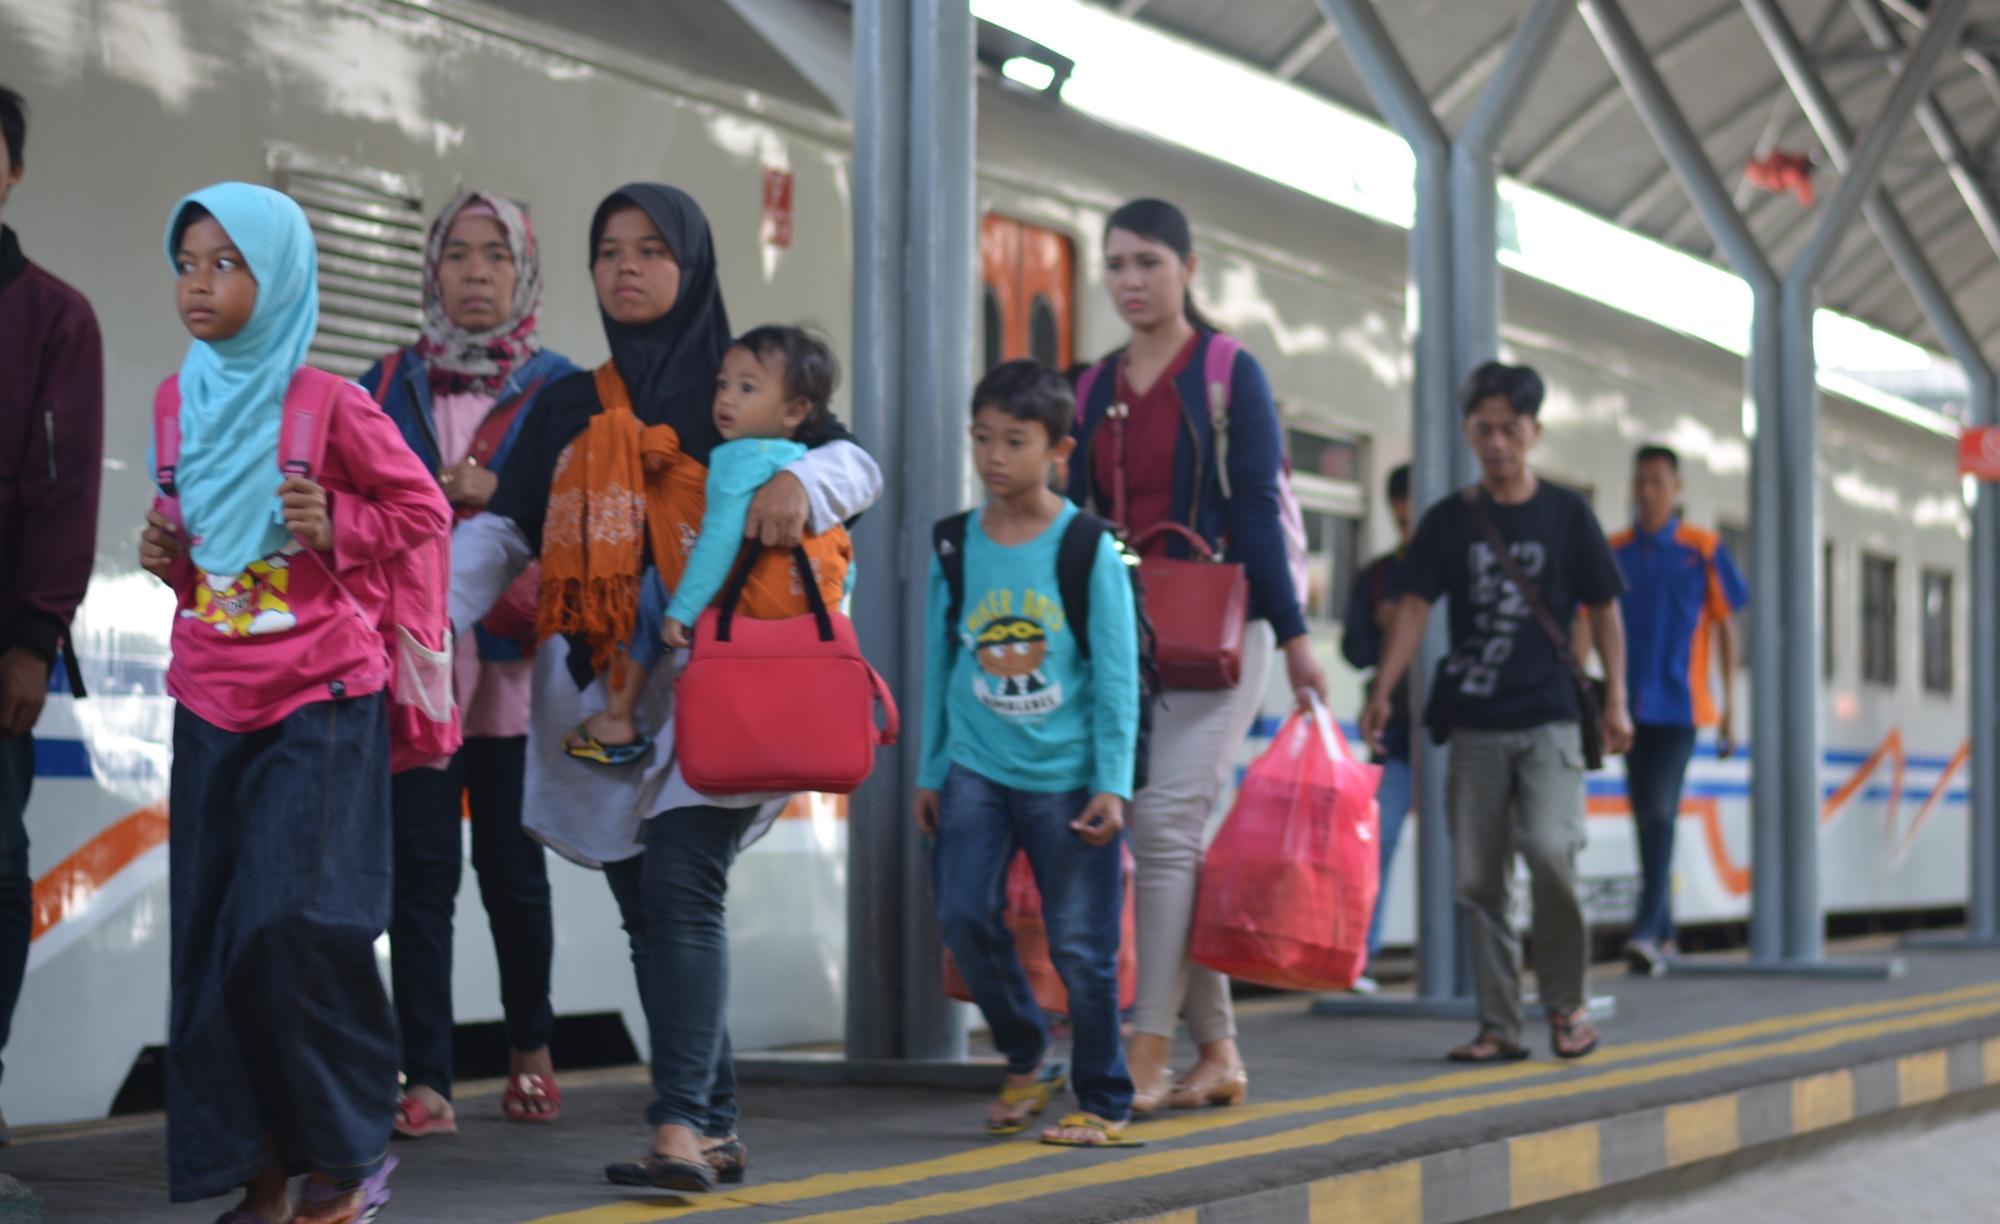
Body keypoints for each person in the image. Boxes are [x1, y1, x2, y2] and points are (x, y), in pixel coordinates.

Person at [450, 184, 880, 1191]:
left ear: (692, 266)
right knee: (648, 909)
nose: (627, 267)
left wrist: (797, 483)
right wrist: (421, 616)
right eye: (608, 251)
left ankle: (678, 1125)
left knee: (682, 887)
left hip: (729, 684)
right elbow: (503, 529)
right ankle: (716, 1125)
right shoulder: (566, 402)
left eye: (650, 249)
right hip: (609, 694)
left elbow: (855, 463)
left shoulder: (743, 384)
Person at [137, 184, 450, 1221]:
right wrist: (168, 560)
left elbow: (421, 509)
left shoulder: (327, 403)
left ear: (279, 280)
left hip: (321, 696)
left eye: (228, 263)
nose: (200, 282)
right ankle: (265, 1176)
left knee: (293, 923)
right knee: (212, 949)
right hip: (210, 695)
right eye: (189, 261)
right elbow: (210, 550)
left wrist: (339, 522)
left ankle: (350, 1158)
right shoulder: (176, 403)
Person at [1068, 198, 1326, 1113]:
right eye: (1116, 265)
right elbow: (1076, 520)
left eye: (1148, 262)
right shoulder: (1091, 386)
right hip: (1124, 638)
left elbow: (1255, 506)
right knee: (1161, 838)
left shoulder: (1227, 371)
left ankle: (1146, 1052)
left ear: (1188, 267)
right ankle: (1217, 1054)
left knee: (1165, 826)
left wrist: (1296, 640)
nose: (1131, 281)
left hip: (1223, 632)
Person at [357, 191, 581, 1136]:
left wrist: (500, 495)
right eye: (459, 254)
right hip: (414, 662)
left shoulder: (564, 388)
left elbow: (586, 515)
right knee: (419, 870)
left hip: (513, 663)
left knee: (510, 869)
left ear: (523, 271)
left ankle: (530, 1048)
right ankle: (428, 1076)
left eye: (497, 256)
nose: (478, 273)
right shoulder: (384, 381)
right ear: (433, 269)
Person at [1360, 361, 1632, 1064]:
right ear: (1468, 434)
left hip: (1548, 719)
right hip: (1475, 721)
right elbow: (1414, 606)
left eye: (1511, 428)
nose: (1498, 442)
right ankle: (1500, 1027)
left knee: (1549, 851)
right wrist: (1384, 689)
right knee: (1478, 879)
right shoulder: (1449, 521)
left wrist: (1618, 698)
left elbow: (1604, 609)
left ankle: (1567, 1005)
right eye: (1484, 429)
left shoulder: (1568, 513)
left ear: (1534, 432)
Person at [917, 359, 1141, 1148]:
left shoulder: (1087, 547)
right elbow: (943, 663)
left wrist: (1113, 783)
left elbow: (1117, 679)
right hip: (977, 766)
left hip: (1068, 779)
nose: (993, 457)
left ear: (1058, 450)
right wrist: (930, 767)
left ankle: (1105, 1100)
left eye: (1015, 441)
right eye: (982, 438)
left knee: (1083, 950)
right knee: (961, 914)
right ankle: (1026, 1049)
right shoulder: (957, 543)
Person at [563, 326, 852, 764]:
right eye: (723, 384)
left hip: (751, 602)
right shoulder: (802, 466)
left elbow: (717, 541)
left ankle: (617, 718)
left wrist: (683, 609)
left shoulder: (738, 461)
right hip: (806, 605)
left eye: (747, 387)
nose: (727, 398)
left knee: (653, 590)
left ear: (795, 410)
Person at [0, 86, 102, 1147]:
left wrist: (33, 640)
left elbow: (65, 492)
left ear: (13, 170)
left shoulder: (55, 316)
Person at [1608, 445, 1746, 976]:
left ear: (1676, 488)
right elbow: (1588, 619)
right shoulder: (1615, 550)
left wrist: (1732, 711)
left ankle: (1646, 928)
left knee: (1660, 811)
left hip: (1683, 708)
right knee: (1645, 815)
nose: (1646, 492)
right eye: (1639, 482)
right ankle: (1663, 934)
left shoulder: (1702, 549)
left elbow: (1726, 627)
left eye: (1657, 482)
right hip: (1627, 708)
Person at [1340, 463, 1412, 993]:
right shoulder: (1378, 576)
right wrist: (1381, 625)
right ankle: (1362, 956)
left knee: (1469, 844)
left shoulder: (1459, 566)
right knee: (1378, 842)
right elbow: (1353, 650)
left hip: (1456, 727)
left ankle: (1468, 958)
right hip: (1397, 730)